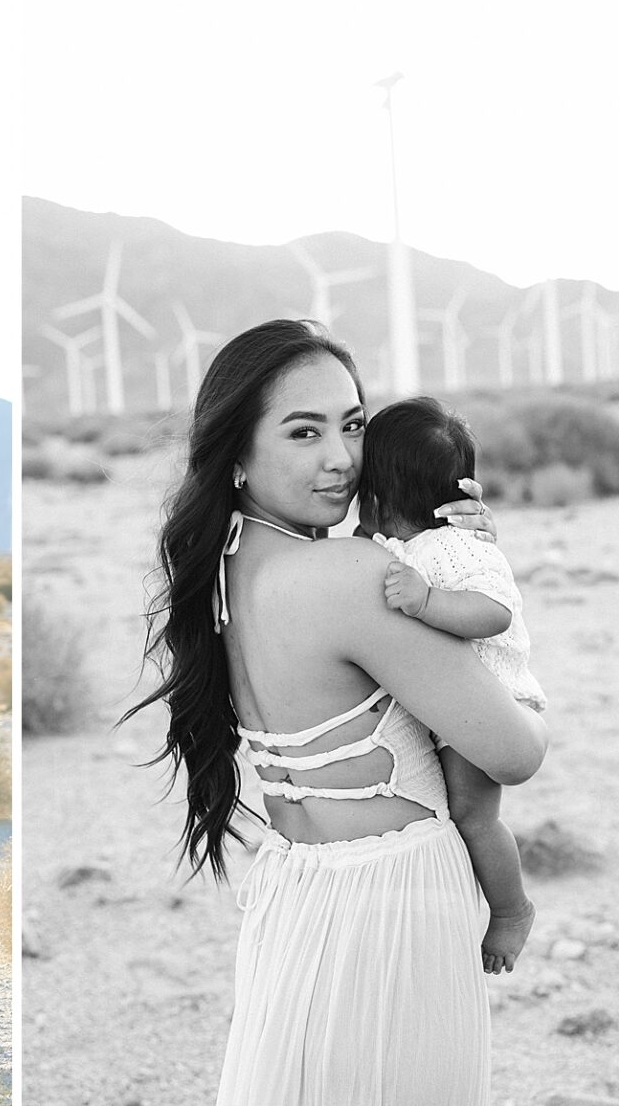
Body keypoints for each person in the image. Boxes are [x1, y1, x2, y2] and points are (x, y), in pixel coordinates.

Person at [120, 321, 547, 1105]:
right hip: (396, 903)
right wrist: (485, 582)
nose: (341, 459)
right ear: (239, 454)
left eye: (353, 426)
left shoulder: (222, 569)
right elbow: (514, 754)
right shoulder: (353, 573)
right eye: (304, 431)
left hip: (296, 892)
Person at [359, 396, 545, 974]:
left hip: (495, 699)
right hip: (453, 706)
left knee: (474, 815)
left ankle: (511, 910)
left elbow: (494, 612)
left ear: (375, 493)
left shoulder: (460, 547)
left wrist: (429, 602)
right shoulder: (398, 547)